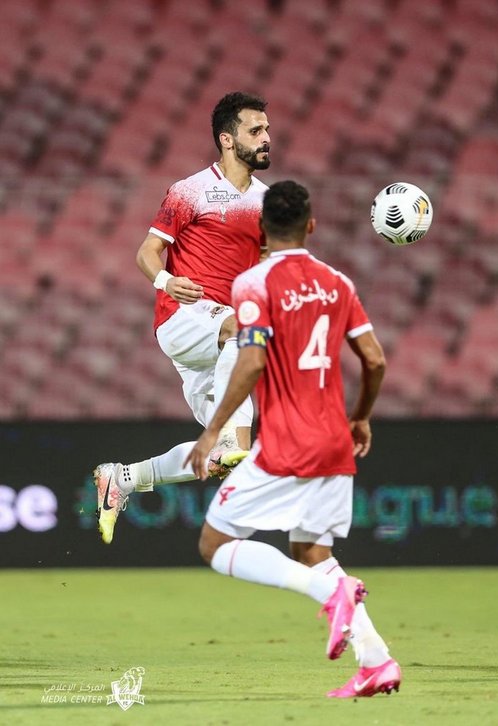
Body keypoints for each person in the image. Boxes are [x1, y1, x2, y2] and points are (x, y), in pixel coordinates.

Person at [184, 180, 402, 698]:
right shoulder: (337, 282)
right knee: (312, 551)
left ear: (261, 229)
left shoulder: (253, 284)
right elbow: (375, 360)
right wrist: (361, 418)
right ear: (312, 225)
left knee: (214, 544)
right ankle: (376, 661)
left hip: (286, 443)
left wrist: (213, 430)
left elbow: (252, 361)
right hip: (335, 442)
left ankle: (329, 594)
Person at [94, 91, 272, 544]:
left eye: (267, 129)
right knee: (242, 329)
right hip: (184, 315)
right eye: (255, 130)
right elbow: (147, 252)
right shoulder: (189, 191)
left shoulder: (267, 202)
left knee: (229, 456)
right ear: (227, 139)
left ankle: (123, 479)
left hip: (218, 340)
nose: (266, 138)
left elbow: (266, 266)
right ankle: (228, 437)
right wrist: (165, 281)